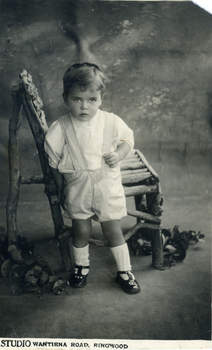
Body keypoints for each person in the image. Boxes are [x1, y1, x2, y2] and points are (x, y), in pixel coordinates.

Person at [44, 62, 140, 294]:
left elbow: (128, 140)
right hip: (78, 187)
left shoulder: (110, 121)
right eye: (77, 99)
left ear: (101, 98)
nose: (84, 107)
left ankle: (125, 271)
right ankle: (81, 266)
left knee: (112, 229)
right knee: (81, 230)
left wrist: (117, 155)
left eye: (91, 100)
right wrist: (60, 187)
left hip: (106, 184)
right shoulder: (61, 127)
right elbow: (53, 160)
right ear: (66, 98)